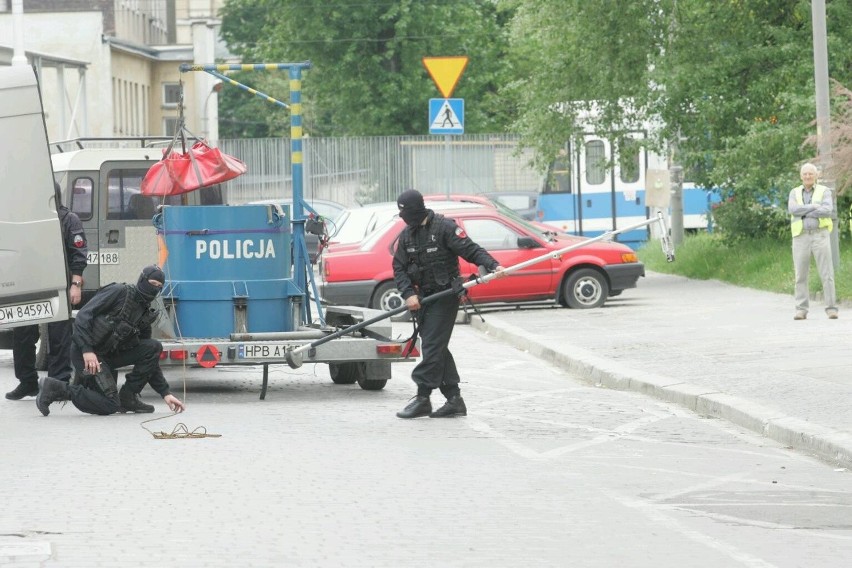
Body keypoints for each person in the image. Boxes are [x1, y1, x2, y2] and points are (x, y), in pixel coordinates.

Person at [392, 189, 504, 419]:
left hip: (445, 296)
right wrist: (407, 294)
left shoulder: (444, 228)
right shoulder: (406, 235)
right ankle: (454, 399)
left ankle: (423, 396)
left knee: (432, 345)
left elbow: (471, 249)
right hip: (423, 299)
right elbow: (399, 267)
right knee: (437, 347)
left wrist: (493, 265)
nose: (404, 218)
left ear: (416, 209)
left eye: (406, 212)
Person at [35, 265, 186, 416]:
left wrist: (165, 393)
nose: (154, 289)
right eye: (152, 284)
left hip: (108, 357)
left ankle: (128, 397)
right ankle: (56, 388)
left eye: (159, 287)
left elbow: (149, 360)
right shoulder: (120, 292)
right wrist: (87, 350)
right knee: (110, 404)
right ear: (142, 280)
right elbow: (83, 315)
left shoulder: (145, 313)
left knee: (153, 347)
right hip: (87, 355)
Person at [6, 182, 88, 401]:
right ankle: (27, 382)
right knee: (22, 336)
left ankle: (58, 384)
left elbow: (79, 254)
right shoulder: (26, 220)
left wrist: (75, 285)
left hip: (58, 284)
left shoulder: (68, 219)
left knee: (59, 336)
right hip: (29, 284)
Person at [787, 163, 838, 321]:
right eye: (805, 174)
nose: (808, 176)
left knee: (827, 273)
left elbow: (827, 210)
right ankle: (801, 310)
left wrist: (804, 210)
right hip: (800, 236)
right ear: (801, 176)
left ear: (816, 176)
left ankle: (831, 309)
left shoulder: (825, 191)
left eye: (811, 174)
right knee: (800, 274)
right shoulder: (794, 192)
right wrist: (814, 207)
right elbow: (793, 210)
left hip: (820, 235)